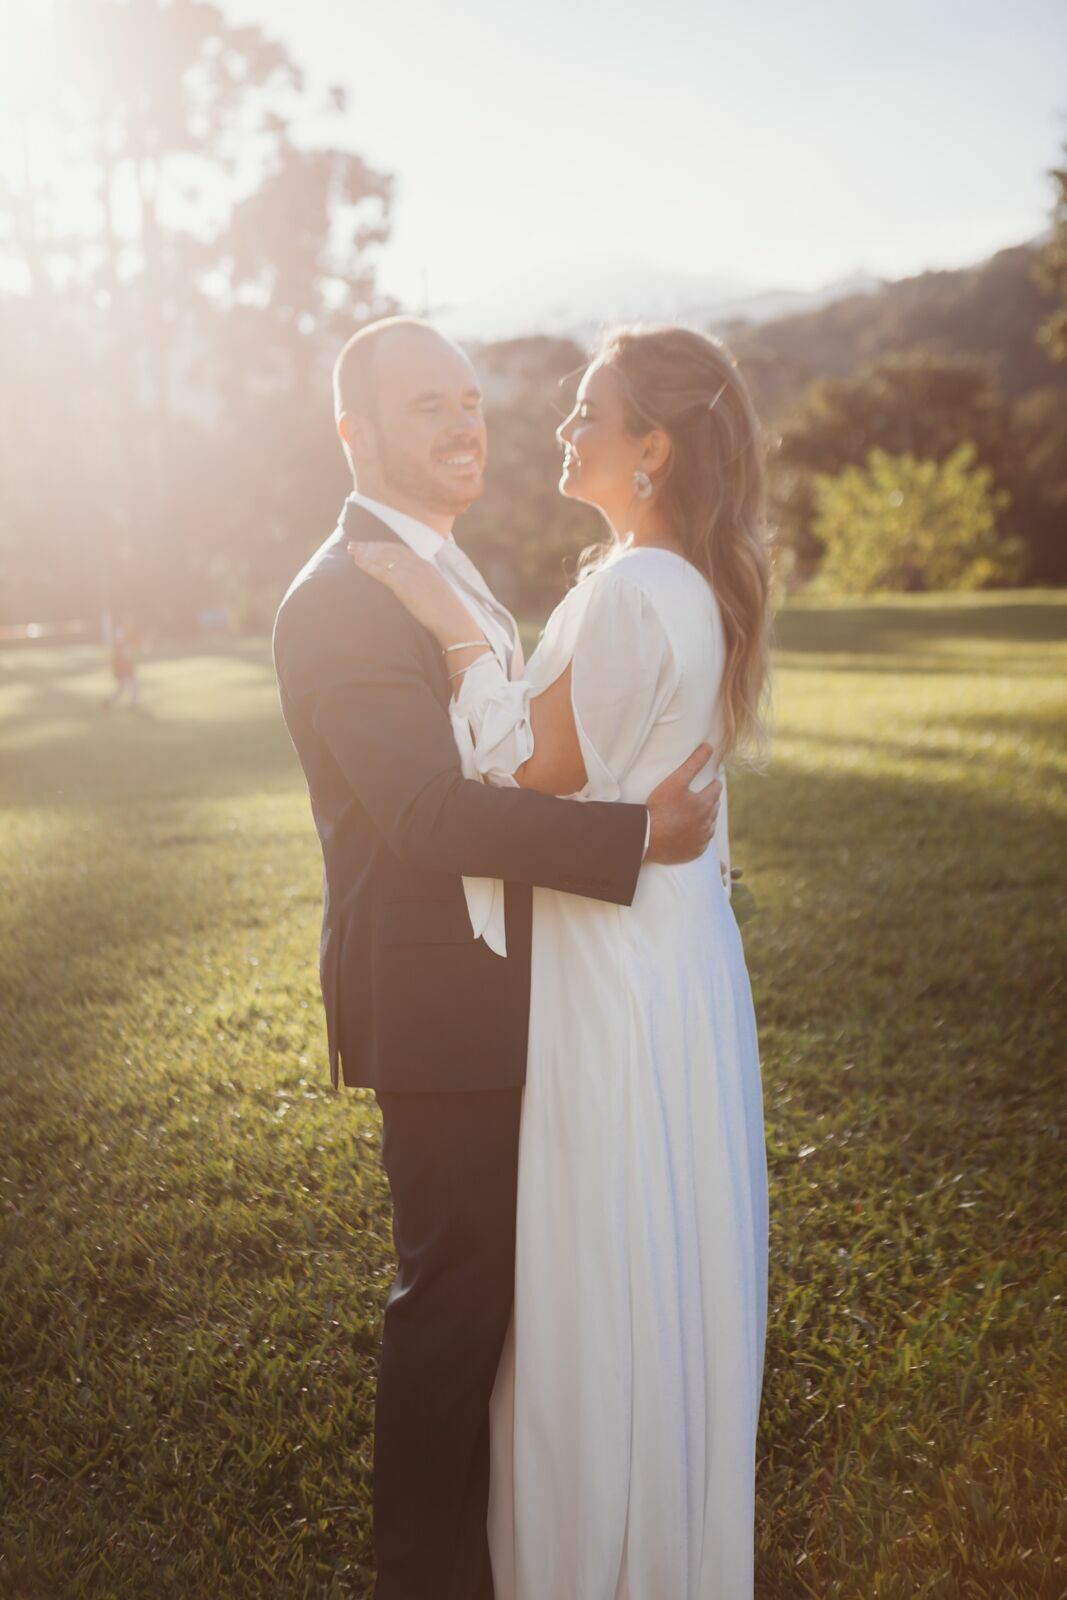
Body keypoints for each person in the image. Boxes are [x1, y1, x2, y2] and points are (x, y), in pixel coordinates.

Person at [270, 316, 722, 1600]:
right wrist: (631, 837)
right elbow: (424, 815)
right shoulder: (339, 597)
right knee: (456, 1303)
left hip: (518, 985)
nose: (464, 424)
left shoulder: (452, 574)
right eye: (427, 406)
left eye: (470, 400)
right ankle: (424, 1579)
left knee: (529, 1296)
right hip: (434, 1000)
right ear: (352, 432)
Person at [100, 619, 142, 710]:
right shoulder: (120, 633)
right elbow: (120, 649)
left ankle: (108, 701)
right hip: (121, 665)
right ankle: (133, 704)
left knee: (124, 687)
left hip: (125, 663)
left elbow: (130, 647)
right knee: (131, 684)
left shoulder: (126, 634)